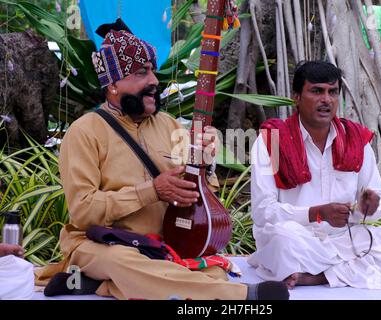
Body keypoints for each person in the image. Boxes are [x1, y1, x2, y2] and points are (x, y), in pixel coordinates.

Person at [36, 20, 288, 300]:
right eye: (142, 73)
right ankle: (239, 297)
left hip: (163, 245)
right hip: (101, 243)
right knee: (123, 262)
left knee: (206, 269)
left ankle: (103, 285)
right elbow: (83, 212)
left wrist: (204, 166)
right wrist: (151, 191)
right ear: (113, 84)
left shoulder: (168, 125)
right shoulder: (83, 132)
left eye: (153, 72)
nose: (154, 82)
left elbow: (204, 193)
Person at [248, 61, 381, 290]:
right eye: (316, 91)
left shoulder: (355, 139)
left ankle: (319, 276)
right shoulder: (271, 141)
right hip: (297, 239)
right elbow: (263, 212)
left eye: (332, 92)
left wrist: (367, 208)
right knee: (281, 240)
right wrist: (317, 213)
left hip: (345, 239)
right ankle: (346, 269)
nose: (326, 100)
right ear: (296, 96)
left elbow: (377, 203)